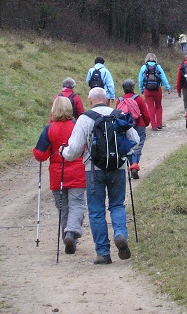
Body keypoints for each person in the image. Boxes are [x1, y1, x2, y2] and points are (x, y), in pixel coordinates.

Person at [61, 88, 140, 265]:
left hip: (93, 171)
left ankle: (103, 253)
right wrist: (123, 154)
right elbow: (134, 140)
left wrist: (62, 152)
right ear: (107, 100)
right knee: (117, 205)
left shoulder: (85, 118)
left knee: (96, 210)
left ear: (90, 101)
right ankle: (120, 234)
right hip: (118, 168)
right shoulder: (119, 114)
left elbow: (73, 151)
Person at [33, 96, 86, 254]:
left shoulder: (48, 129)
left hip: (57, 174)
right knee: (77, 204)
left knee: (63, 208)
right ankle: (71, 233)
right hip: (77, 171)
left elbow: (40, 155)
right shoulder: (76, 125)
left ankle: (67, 236)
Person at [118, 79, 150, 179]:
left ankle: (131, 165)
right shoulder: (138, 99)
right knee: (138, 146)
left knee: (128, 146)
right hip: (138, 125)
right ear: (133, 88)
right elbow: (145, 114)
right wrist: (144, 124)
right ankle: (134, 165)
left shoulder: (120, 100)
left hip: (125, 126)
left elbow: (117, 115)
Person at [138, 53, 171, 131]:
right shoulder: (158, 67)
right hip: (157, 89)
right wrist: (168, 87)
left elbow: (140, 80)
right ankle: (159, 123)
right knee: (158, 106)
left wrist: (141, 89)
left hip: (147, 90)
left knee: (150, 107)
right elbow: (163, 78)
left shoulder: (143, 67)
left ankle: (153, 126)